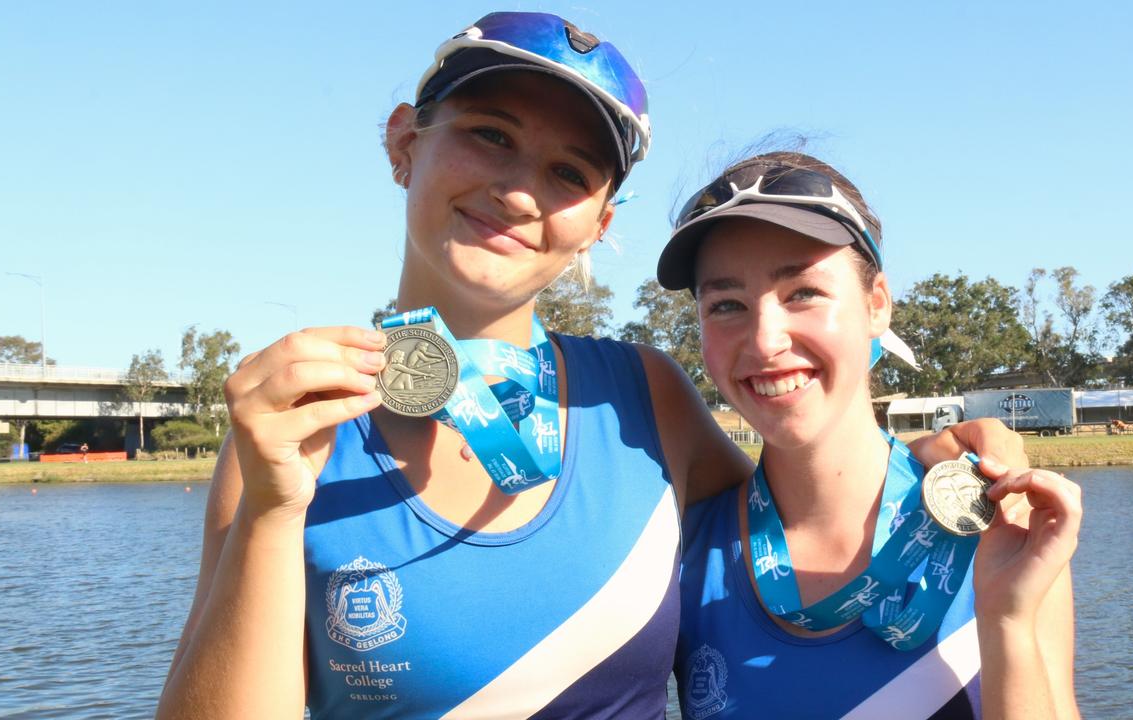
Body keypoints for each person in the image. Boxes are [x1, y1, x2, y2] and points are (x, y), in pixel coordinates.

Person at [157, 13, 1026, 719]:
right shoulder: (296, 429)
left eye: (568, 171)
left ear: (601, 226)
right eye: (490, 135)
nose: (522, 191)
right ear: (402, 144)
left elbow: (799, 507)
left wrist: (944, 471)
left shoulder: (644, 399)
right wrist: (272, 509)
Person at [660, 151, 1082, 719]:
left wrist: (1007, 619)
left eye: (802, 292)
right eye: (726, 304)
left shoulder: (1001, 522)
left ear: (876, 304)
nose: (764, 341)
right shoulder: (676, 552)